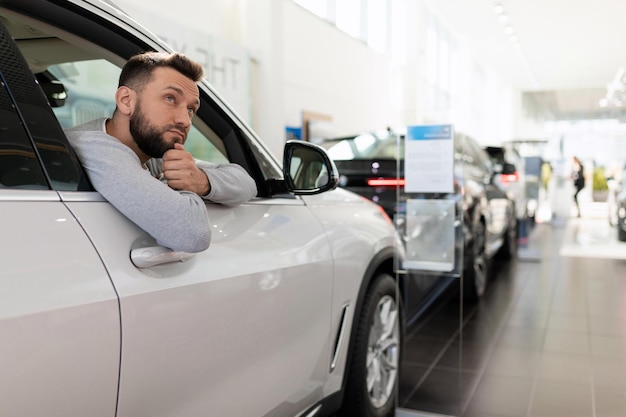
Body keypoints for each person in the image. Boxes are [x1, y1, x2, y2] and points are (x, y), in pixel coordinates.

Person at [65, 51, 257, 253]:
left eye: (191, 109)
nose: (185, 120)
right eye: (170, 98)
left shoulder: (151, 156)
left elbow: (247, 184)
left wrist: (200, 180)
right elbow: (192, 235)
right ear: (126, 100)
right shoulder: (94, 146)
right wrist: (177, 185)